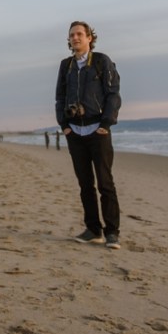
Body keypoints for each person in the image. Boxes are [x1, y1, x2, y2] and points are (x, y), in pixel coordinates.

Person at [55, 20, 122, 249]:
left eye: (79, 34)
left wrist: (106, 123)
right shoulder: (66, 66)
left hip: (98, 131)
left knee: (105, 183)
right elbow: (60, 97)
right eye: (72, 35)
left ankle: (112, 233)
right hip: (75, 132)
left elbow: (113, 94)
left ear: (89, 38)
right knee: (85, 184)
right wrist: (64, 125)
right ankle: (93, 230)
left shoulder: (102, 61)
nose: (75, 38)